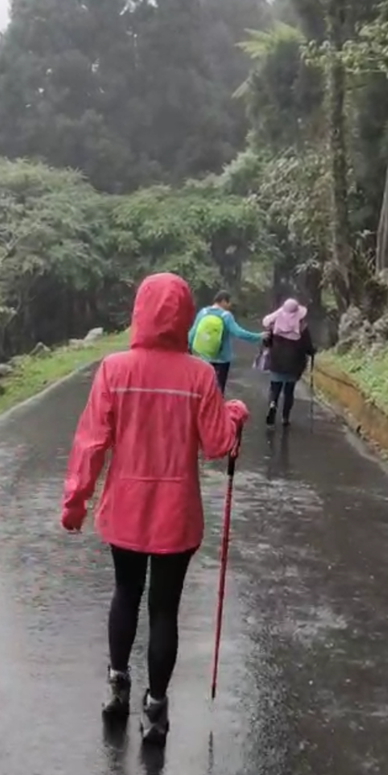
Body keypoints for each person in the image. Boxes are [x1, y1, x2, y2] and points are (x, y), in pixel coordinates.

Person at [61, 272, 249, 746]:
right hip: (176, 513)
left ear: (139, 311)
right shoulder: (200, 375)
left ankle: (117, 686)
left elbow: (91, 442)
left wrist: (76, 501)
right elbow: (217, 444)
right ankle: (156, 709)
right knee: (164, 609)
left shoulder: (114, 369)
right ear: (186, 317)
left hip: (124, 508)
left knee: (126, 593)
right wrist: (234, 414)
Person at [188, 289, 263, 394]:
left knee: (201, 387)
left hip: (202, 357)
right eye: (229, 302)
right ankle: (217, 408)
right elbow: (238, 333)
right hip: (222, 359)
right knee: (218, 389)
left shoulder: (203, 312)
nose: (230, 305)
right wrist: (258, 336)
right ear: (223, 301)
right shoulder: (226, 316)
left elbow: (193, 332)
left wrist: (189, 348)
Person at [262, 298, 316, 428]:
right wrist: (313, 351)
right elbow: (307, 346)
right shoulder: (302, 327)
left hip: (276, 361)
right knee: (289, 391)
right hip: (294, 363)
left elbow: (266, 341)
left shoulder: (274, 323)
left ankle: (272, 405)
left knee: (274, 388)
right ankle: (285, 417)